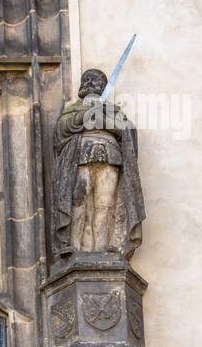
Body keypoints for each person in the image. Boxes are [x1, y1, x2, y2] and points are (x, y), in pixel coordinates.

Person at [52, 67, 144, 258]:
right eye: (87, 79)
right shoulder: (73, 110)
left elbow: (128, 131)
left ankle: (103, 246)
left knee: (105, 204)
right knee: (79, 201)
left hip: (110, 156)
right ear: (81, 86)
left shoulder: (112, 110)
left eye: (96, 80)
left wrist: (102, 120)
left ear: (103, 87)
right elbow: (60, 131)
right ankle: (75, 246)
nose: (91, 83)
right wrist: (83, 117)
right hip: (80, 156)